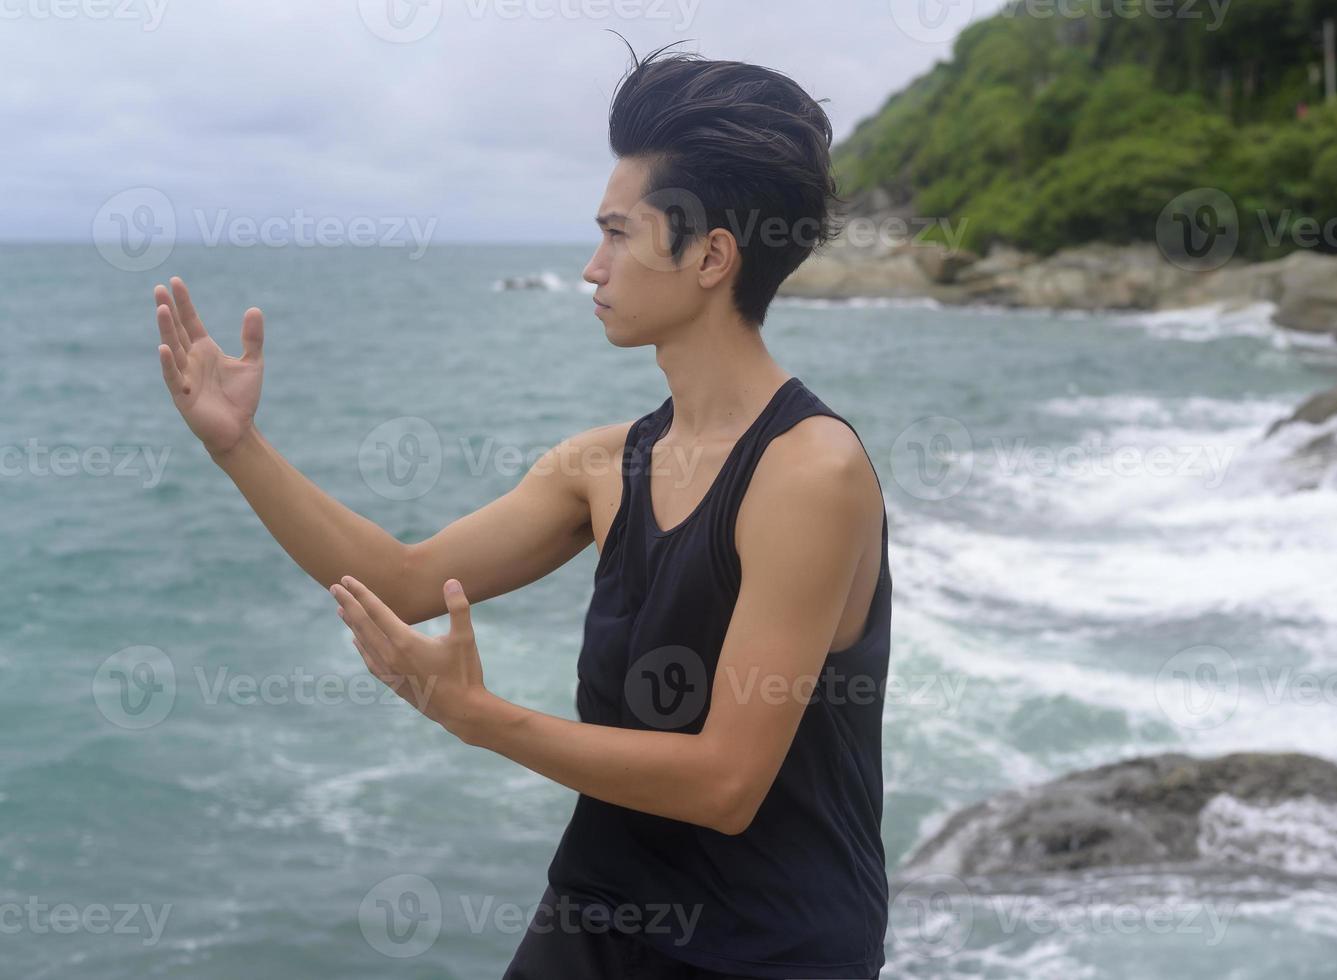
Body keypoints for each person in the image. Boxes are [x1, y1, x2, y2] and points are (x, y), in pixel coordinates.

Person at [151, 36, 890, 980]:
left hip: (774, 951)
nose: (590, 267)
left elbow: (726, 783)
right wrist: (236, 445)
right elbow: (405, 580)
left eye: (617, 233)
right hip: (595, 914)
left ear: (710, 256)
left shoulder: (810, 473)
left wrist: (476, 715)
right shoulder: (600, 464)